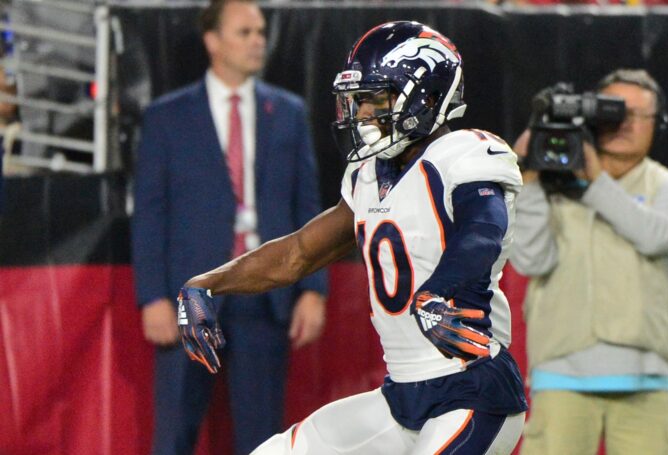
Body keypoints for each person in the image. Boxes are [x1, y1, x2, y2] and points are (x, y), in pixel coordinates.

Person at [176, 21, 528, 455]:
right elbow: (297, 253)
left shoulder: (465, 154)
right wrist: (207, 283)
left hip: (474, 392)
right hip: (402, 397)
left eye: (375, 99)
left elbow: (483, 233)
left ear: (428, 96)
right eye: (358, 101)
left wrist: (440, 292)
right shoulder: (367, 176)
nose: (362, 114)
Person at [131, 0, 328, 453]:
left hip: (264, 294)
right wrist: (154, 298)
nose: (258, 40)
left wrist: (314, 290)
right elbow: (150, 212)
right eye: (244, 32)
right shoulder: (168, 117)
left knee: (263, 438)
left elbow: (309, 207)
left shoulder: (289, 113)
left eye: (260, 31)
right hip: (191, 295)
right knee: (176, 429)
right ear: (212, 41)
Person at [510, 69, 668, 455]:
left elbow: (652, 235)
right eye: (613, 111)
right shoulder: (550, 186)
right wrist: (528, 181)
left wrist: (593, 181)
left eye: (637, 114)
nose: (624, 123)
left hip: (644, 378)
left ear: (658, 124)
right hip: (561, 372)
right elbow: (531, 260)